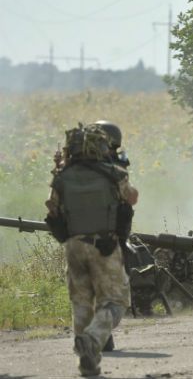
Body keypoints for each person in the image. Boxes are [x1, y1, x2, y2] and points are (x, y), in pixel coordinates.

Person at [45, 122, 137, 376]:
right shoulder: (113, 174)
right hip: (104, 245)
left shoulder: (62, 177)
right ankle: (94, 340)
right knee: (115, 301)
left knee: (81, 303)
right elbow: (131, 198)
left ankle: (87, 362)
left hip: (73, 245)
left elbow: (52, 209)